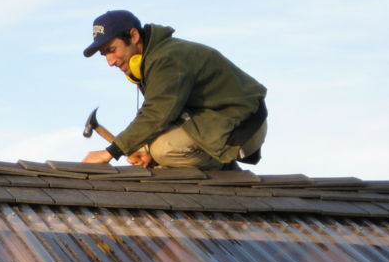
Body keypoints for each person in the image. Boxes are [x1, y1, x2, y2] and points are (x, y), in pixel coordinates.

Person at [81, 10, 267, 170]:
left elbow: (157, 114)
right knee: (151, 148)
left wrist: (110, 152)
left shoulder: (167, 60)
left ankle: (223, 167)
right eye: (105, 54)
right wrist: (143, 148)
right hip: (215, 120)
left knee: (163, 150)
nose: (110, 61)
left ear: (134, 36)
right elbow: (164, 114)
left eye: (112, 49)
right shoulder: (154, 59)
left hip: (243, 127)